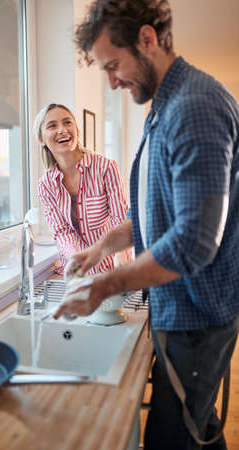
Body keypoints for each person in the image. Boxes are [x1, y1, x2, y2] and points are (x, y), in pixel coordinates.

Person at [54, 1, 239, 449]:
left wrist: (103, 286)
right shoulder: (166, 106)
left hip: (196, 318)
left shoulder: (194, 106)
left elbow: (193, 242)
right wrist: (102, 247)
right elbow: (156, 213)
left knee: (173, 438)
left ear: (147, 39)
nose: (112, 80)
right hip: (180, 310)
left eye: (114, 65)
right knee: (196, 427)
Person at [35, 103, 130, 275]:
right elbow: (62, 231)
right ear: (41, 139)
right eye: (52, 126)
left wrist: (121, 255)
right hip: (76, 273)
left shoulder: (106, 168)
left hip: (111, 266)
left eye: (67, 122)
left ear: (77, 130)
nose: (62, 130)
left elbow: (120, 219)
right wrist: (77, 261)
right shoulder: (45, 185)